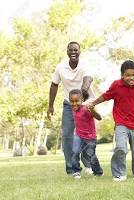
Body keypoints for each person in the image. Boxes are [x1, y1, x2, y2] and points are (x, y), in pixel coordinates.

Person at [88, 60, 134, 182]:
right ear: (122, 75)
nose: (131, 77)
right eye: (127, 75)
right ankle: (119, 173)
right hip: (121, 123)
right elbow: (106, 96)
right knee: (120, 147)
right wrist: (93, 103)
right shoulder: (116, 85)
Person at [47, 41, 94, 174]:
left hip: (85, 104)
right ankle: (71, 167)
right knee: (67, 135)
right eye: (70, 50)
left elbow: (87, 81)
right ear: (67, 51)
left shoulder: (85, 66)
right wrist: (50, 105)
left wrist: (80, 100)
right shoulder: (60, 67)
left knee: (85, 135)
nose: (73, 52)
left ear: (80, 51)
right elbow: (54, 85)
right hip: (69, 104)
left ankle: (88, 164)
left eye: (75, 50)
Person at [69, 89, 103, 179]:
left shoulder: (86, 109)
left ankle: (98, 172)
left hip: (90, 137)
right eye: (72, 101)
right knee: (74, 152)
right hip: (78, 135)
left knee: (90, 155)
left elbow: (99, 118)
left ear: (82, 100)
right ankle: (76, 171)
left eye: (77, 101)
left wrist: (92, 111)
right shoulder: (72, 110)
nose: (74, 103)